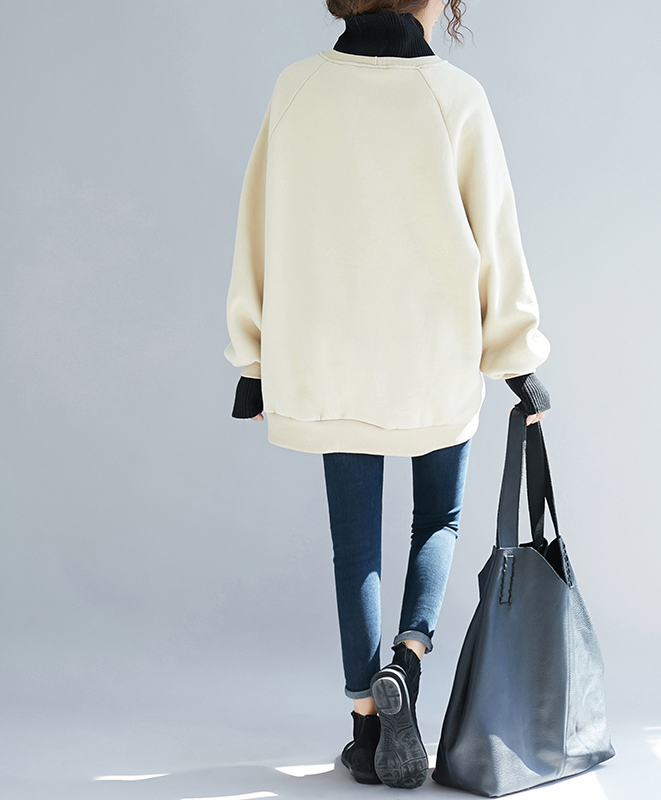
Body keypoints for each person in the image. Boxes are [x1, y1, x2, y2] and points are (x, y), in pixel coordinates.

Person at [223, 0, 551, 790]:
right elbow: (496, 242)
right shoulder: (455, 97)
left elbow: (258, 228)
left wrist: (252, 361)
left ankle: (366, 729)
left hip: (327, 360)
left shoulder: (297, 87)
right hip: (435, 356)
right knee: (436, 518)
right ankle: (408, 656)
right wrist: (518, 363)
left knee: (355, 544)